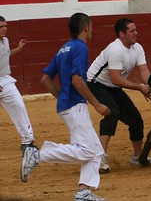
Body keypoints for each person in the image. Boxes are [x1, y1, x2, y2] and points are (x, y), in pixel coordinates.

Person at [22, 12, 110, 201]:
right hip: (75, 106)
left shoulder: (64, 48)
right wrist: (97, 104)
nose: (92, 30)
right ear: (86, 27)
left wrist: (62, 96)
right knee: (87, 150)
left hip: (66, 105)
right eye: (92, 26)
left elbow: (46, 78)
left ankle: (84, 191)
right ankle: (37, 155)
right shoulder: (80, 48)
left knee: (96, 151)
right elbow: (77, 80)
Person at [87, 18, 151, 173]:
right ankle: (99, 158)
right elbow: (116, 78)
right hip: (95, 84)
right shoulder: (115, 49)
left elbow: (144, 72)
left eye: (135, 29)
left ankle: (138, 157)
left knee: (135, 119)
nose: (136, 33)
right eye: (132, 31)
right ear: (122, 34)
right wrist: (139, 87)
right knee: (111, 112)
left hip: (113, 86)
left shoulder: (137, 48)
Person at [0, 16, 37, 162]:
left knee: (19, 105)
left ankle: (27, 140)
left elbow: (5, 55)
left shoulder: (6, 41)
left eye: (5, 26)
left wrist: (18, 49)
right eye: (1, 26)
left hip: (5, 80)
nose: (4, 29)